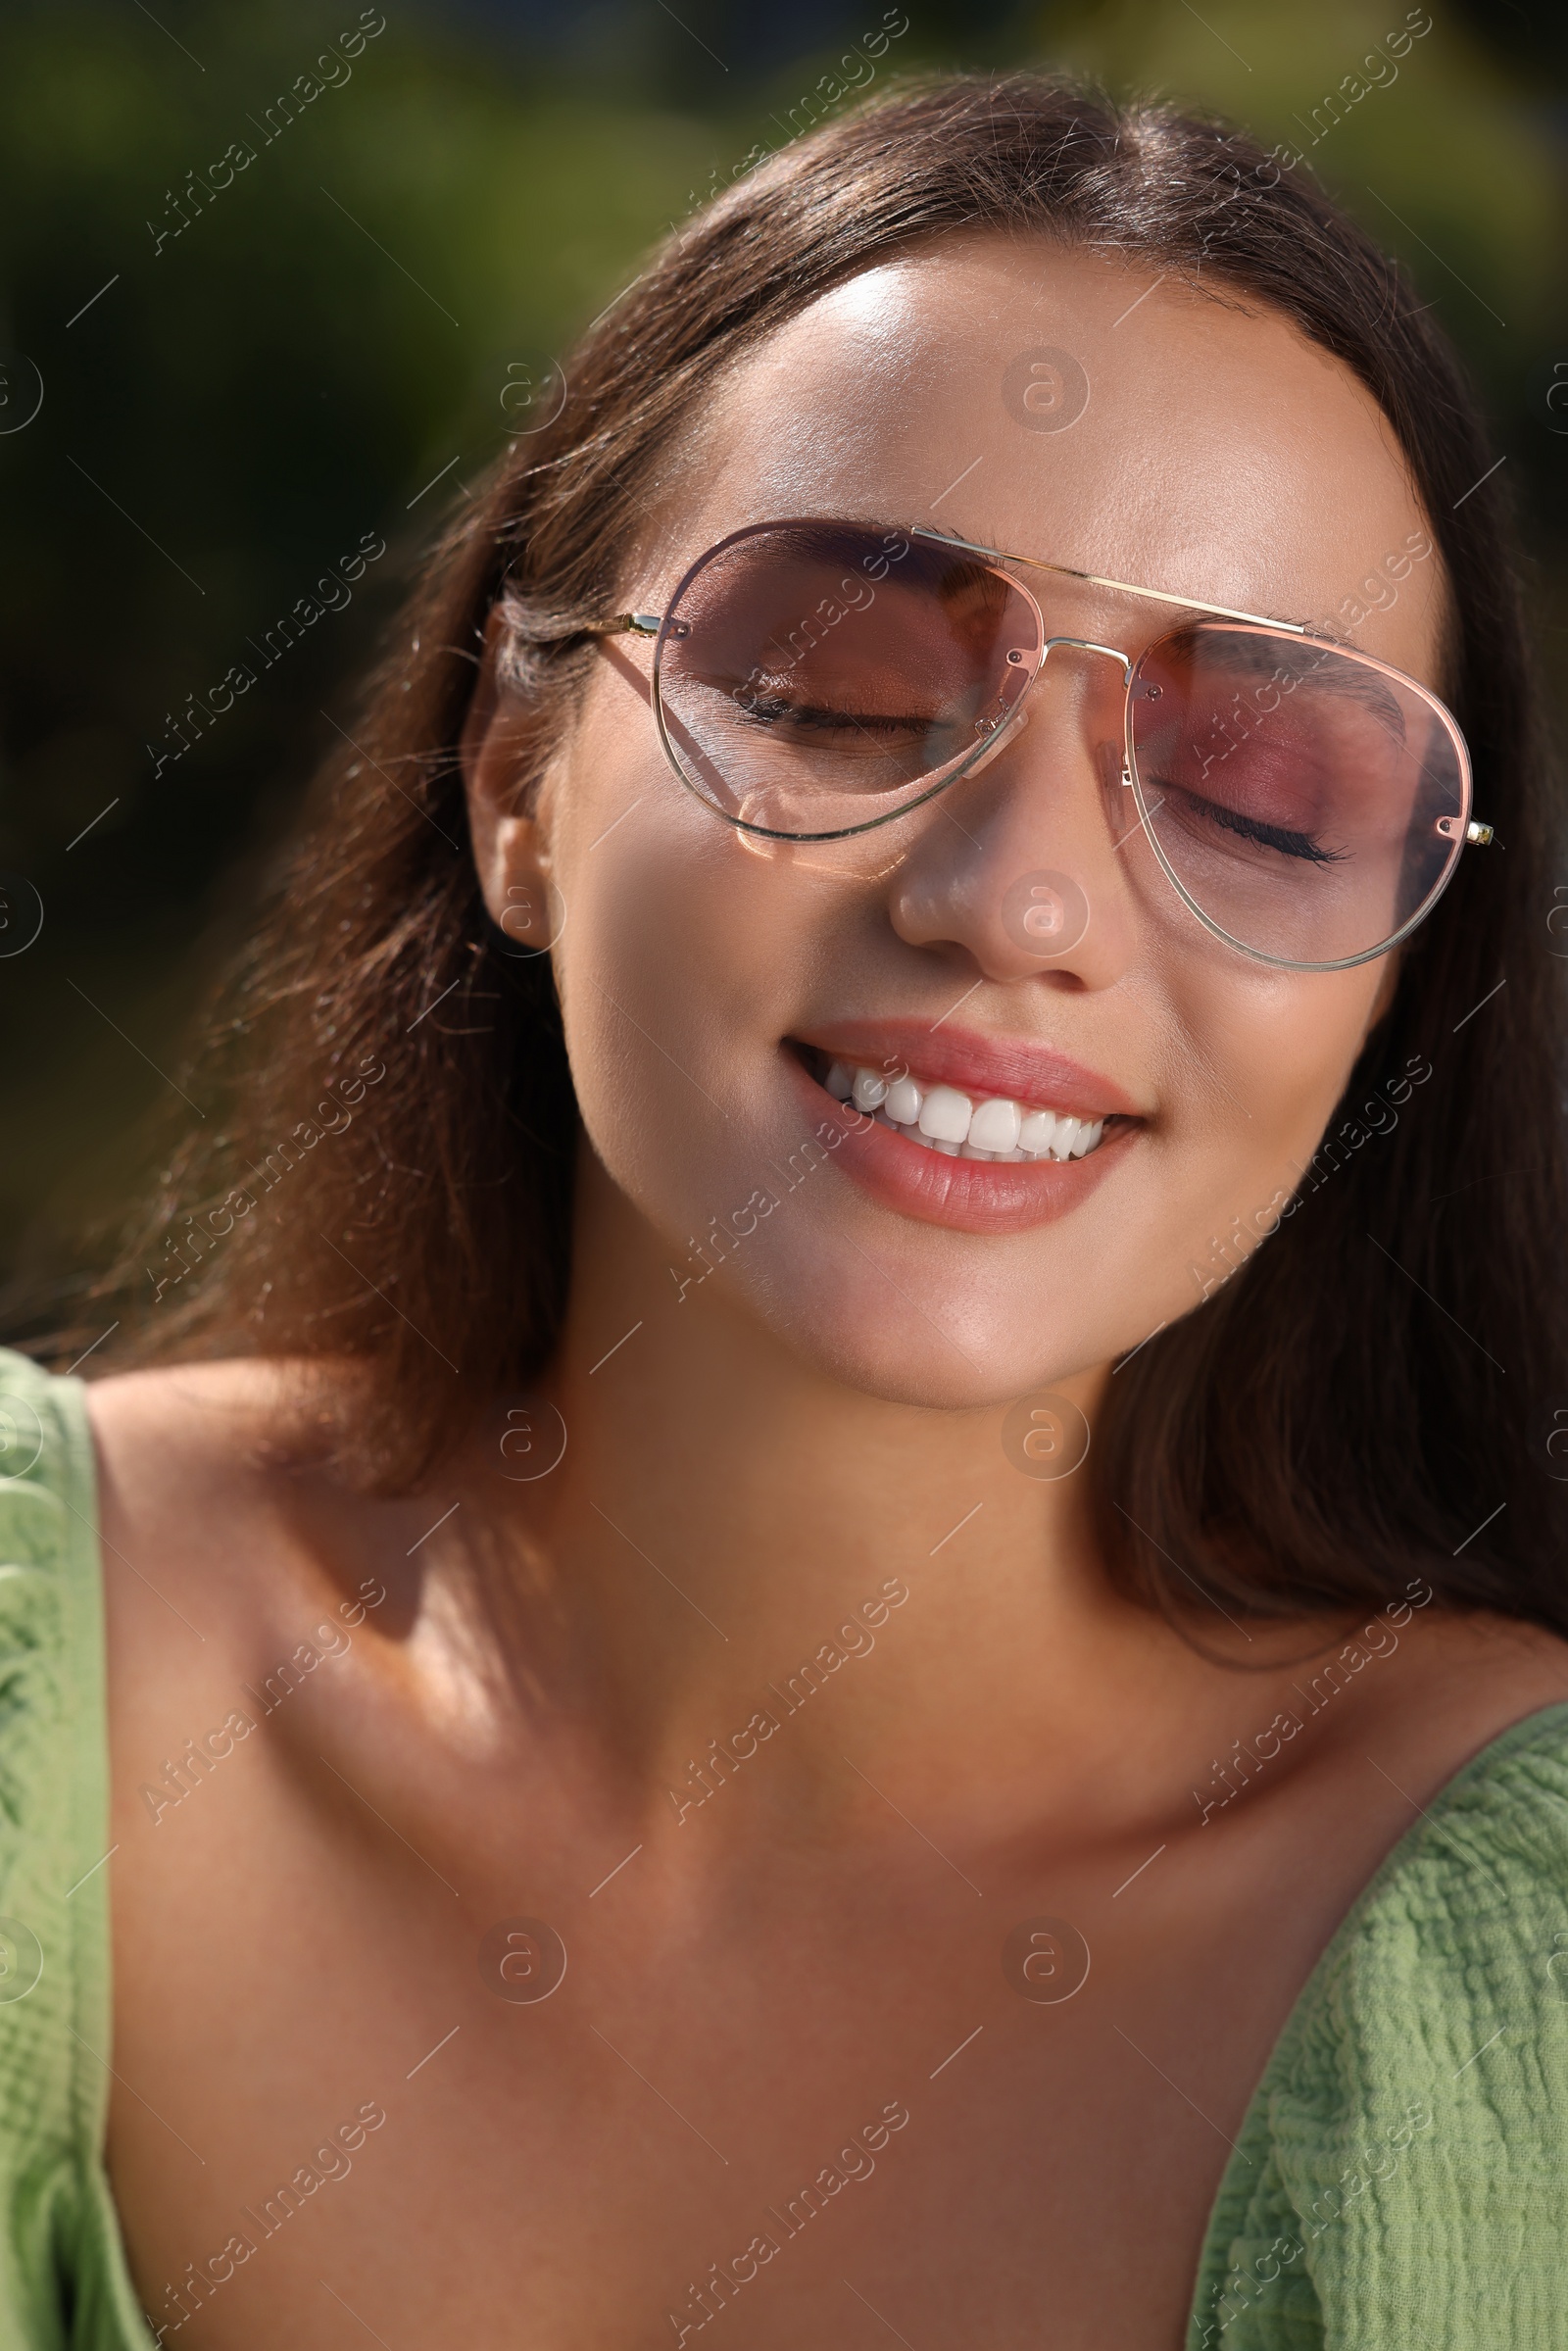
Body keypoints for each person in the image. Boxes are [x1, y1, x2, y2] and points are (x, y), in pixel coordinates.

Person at [3, 71, 1566, 2351]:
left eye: (1254, 787)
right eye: (837, 690)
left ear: (1394, 977)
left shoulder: (1503, 1969)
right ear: (518, 782)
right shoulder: (49, 1671)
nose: (1017, 898)